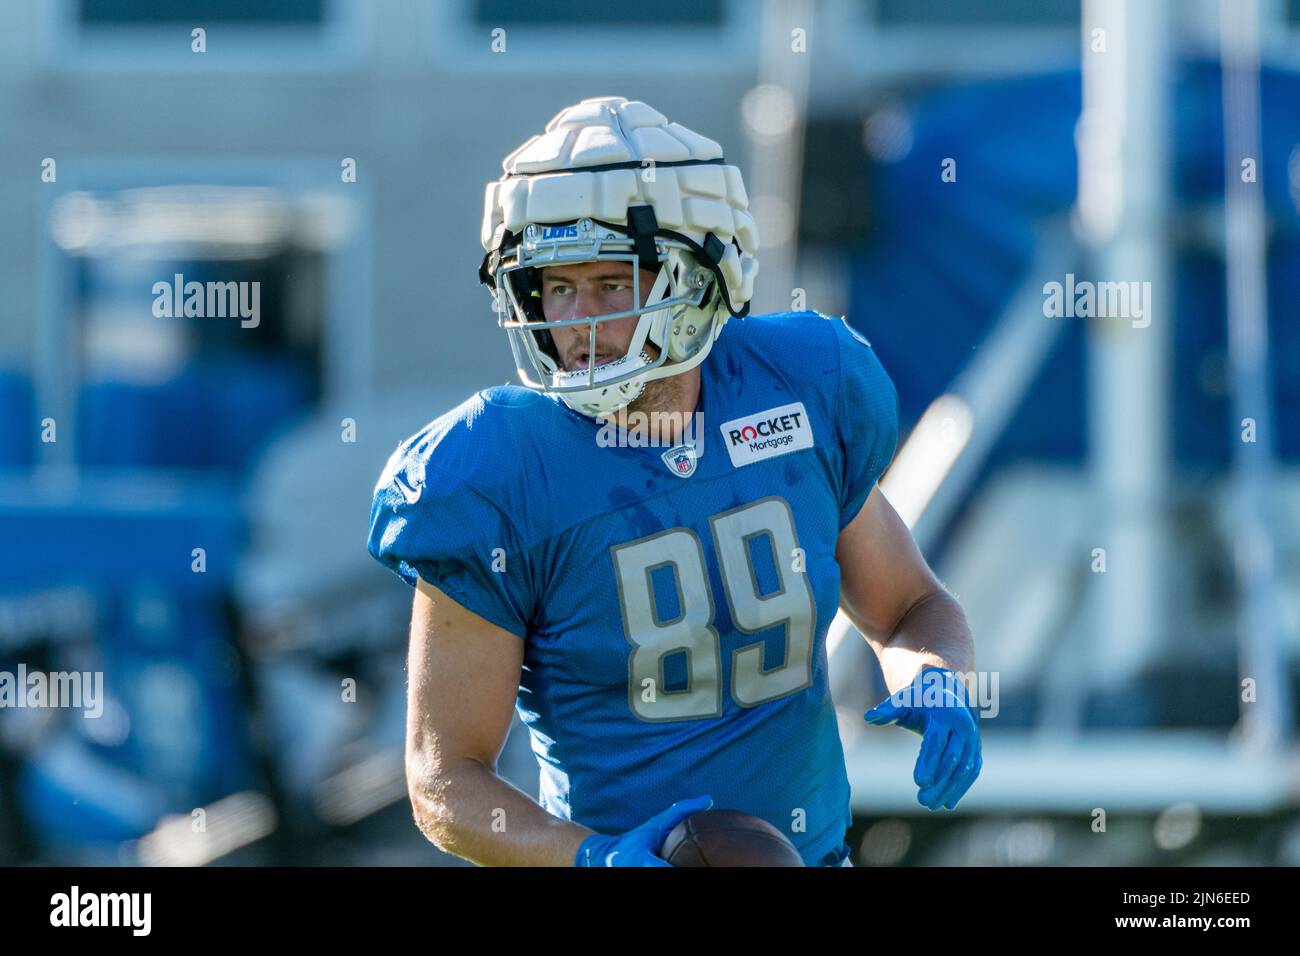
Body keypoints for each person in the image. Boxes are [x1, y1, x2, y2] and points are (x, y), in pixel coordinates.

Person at [368, 96, 981, 867]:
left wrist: (935, 679)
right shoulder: (500, 471)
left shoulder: (800, 385)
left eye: (610, 284)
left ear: (700, 273)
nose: (579, 325)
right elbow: (443, 780)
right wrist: (592, 857)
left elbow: (909, 607)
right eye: (557, 289)